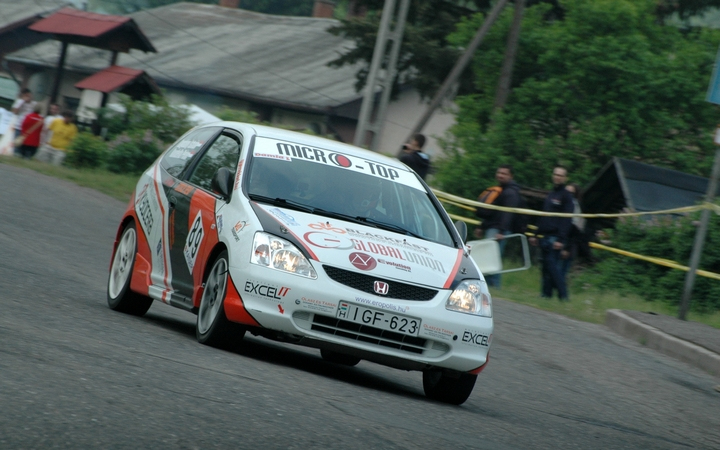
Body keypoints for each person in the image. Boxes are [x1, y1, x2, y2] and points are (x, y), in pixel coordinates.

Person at [529, 166, 574, 301]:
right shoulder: (551, 194)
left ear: (565, 178)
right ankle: (546, 294)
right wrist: (536, 234)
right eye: (555, 174)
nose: (557, 177)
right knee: (545, 268)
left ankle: (564, 296)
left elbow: (567, 220)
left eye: (560, 175)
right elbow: (544, 216)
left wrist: (561, 239)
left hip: (555, 238)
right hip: (545, 236)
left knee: (553, 268)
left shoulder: (566, 197)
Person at [475, 164, 522, 288]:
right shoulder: (500, 190)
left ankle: (494, 286)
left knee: (492, 259)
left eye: (504, 173)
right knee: (489, 258)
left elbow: (508, 213)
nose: (500, 175)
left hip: (498, 230)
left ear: (511, 176)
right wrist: (481, 226)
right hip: (493, 228)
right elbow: (492, 213)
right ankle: (488, 286)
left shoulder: (510, 192)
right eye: (499, 173)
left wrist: (502, 231)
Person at [11, 88, 37, 154]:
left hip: (28, 128)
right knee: (17, 143)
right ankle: (15, 154)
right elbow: (15, 112)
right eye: (27, 96)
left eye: (29, 96)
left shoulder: (34, 104)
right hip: (19, 126)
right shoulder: (19, 102)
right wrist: (22, 101)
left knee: (24, 145)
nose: (28, 98)